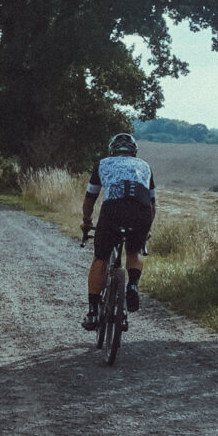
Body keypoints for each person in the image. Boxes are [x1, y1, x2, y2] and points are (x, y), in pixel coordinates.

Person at [80, 131, 155, 331]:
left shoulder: (103, 164)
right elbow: (152, 203)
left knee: (100, 258)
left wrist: (86, 222)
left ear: (112, 150)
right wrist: (146, 229)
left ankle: (93, 312)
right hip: (141, 210)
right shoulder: (145, 166)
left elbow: (90, 199)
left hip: (113, 210)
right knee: (134, 251)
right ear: (134, 152)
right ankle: (132, 285)